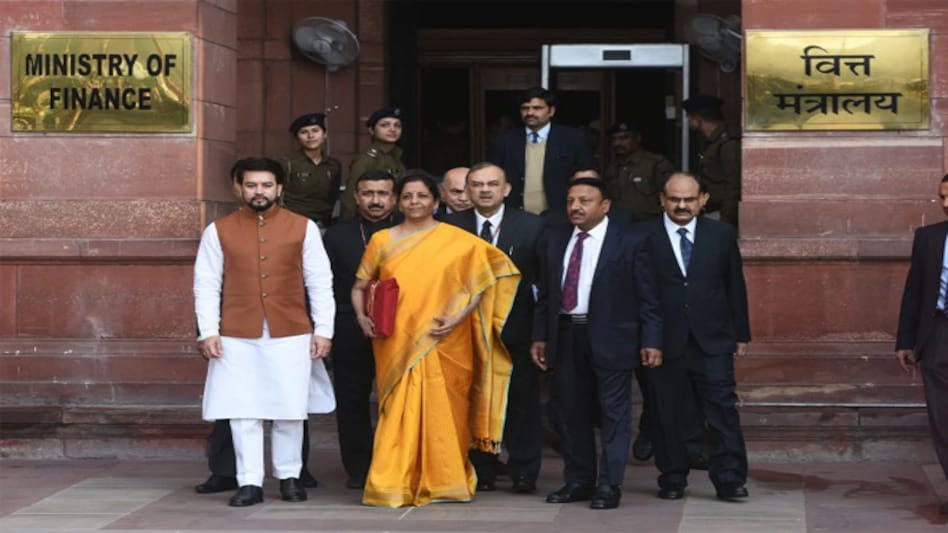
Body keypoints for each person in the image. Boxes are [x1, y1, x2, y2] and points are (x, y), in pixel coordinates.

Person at [352, 170, 521, 507]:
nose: (414, 202)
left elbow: (483, 281)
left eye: (422, 196)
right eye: (407, 197)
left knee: (447, 410)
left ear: (436, 200)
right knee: (397, 410)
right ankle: (393, 482)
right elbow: (360, 286)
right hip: (396, 339)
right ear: (398, 201)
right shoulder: (382, 240)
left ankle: (445, 481)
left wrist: (458, 316)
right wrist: (362, 317)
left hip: (446, 338)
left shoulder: (458, 240)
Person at [194, 157, 336, 507]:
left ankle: (289, 476)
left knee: (290, 408)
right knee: (244, 411)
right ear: (238, 188)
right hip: (236, 331)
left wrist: (324, 331)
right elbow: (206, 284)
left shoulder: (303, 227)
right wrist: (208, 331)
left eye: (267, 185)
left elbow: (320, 282)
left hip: (291, 329)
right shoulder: (218, 230)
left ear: (280, 189)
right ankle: (249, 482)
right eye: (252, 185)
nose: (260, 191)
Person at [531, 177, 663, 510]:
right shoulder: (554, 238)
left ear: (604, 206)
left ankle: (609, 484)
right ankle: (578, 481)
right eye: (571, 200)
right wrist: (541, 335)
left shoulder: (630, 241)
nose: (576, 206)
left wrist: (651, 339)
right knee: (571, 412)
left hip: (612, 336)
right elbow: (545, 294)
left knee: (613, 414)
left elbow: (648, 297)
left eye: (585, 200)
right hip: (566, 334)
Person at [643, 171, 750, 502]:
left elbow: (734, 284)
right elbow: (639, 291)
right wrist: (648, 339)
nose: (681, 206)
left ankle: (730, 478)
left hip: (713, 339)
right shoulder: (641, 235)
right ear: (662, 199)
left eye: (689, 199)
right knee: (667, 411)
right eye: (674, 199)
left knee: (721, 409)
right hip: (663, 341)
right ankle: (673, 476)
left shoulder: (720, 234)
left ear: (703, 200)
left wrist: (741, 333)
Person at [444, 162, 546, 494]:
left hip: (516, 330)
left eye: (492, 184)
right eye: (477, 185)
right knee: (472, 398)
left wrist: (539, 334)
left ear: (506, 190)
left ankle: (524, 471)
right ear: (467, 190)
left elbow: (543, 285)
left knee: (522, 401)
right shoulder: (449, 227)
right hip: (465, 331)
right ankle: (482, 469)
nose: (485, 190)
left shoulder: (531, 227)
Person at [322, 169, 399, 490]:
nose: (376, 200)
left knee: (398, 398)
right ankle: (358, 467)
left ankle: (394, 463)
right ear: (356, 197)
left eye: (383, 194)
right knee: (352, 400)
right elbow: (324, 285)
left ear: (394, 198)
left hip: (399, 329)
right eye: (368, 193)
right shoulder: (338, 235)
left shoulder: (406, 231)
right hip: (350, 328)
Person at [895, 174, 948, 516]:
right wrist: (905, 340)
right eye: (942, 196)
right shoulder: (929, 237)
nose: (946, 203)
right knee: (943, 419)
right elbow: (914, 290)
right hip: (939, 335)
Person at [488, 86, 594, 215]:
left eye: (537, 108)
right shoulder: (505, 140)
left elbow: (586, 176)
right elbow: (492, 177)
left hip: (560, 215)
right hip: (516, 216)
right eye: (525, 108)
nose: (530, 113)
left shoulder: (573, 138)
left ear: (551, 111)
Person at [682, 95, 741, 227]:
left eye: (689, 117)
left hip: (721, 214)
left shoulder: (727, 143)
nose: (688, 121)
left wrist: (727, 220)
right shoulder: (712, 142)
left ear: (697, 118)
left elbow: (734, 184)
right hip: (711, 211)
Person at [278, 112, 342, 229]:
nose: (310, 136)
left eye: (315, 131)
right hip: (293, 224)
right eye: (304, 132)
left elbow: (333, 196)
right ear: (297, 137)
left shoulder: (333, 165)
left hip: (323, 224)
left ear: (325, 134)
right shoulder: (287, 163)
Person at [341, 106, 406, 220]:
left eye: (397, 125)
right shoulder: (367, 159)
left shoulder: (396, 156)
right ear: (371, 130)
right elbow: (351, 196)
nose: (392, 129)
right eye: (384, 125)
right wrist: (347, 226)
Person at [602, 121, 674, 221]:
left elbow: (671, 197)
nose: (617, 143)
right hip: (618, 226)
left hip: (649, 225)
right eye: (614, 139)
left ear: (637, 139)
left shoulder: (656, 164)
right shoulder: (612, 168)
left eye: (623, 138)